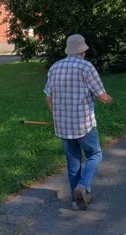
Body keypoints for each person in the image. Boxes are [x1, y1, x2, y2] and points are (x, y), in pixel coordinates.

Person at [44, 34, 112, 211]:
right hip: (84, 125)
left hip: (63, 126)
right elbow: (102, 96)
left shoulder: (55, 67)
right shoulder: (86, 67)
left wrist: (56, 116)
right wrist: (108, 99)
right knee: (95, 155)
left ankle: (76, 202)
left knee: (73, 162)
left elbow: (48, 97)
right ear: (82, 50)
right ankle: (83, 187)